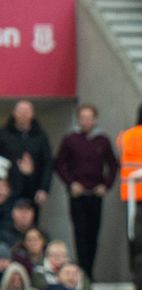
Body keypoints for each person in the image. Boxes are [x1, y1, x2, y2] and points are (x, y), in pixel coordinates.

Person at [54, 104, 119, 279]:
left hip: (95, 195)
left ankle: (89, 272)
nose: (86, 121)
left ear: (95, 120)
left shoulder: (102, 140)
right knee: (80, 233)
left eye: (89, 118)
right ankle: (83, 272)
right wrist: (71, 184)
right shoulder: (70, 139)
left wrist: (106, 185)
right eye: (82, 118)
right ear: (78, 119)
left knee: (93, 234)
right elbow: (60, 164)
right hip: (77, 195)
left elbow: (113, 165)